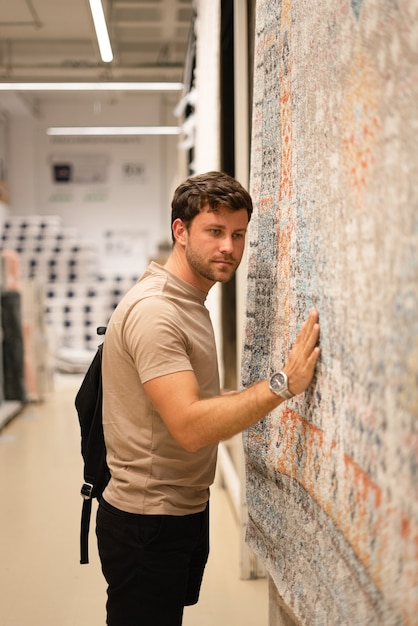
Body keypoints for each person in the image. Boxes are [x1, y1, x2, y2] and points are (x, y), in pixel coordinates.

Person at [96, 170, 320, 626]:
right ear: (180, 231)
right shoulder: (158, 313)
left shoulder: (188, 300)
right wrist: (284, 383)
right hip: (148, 521)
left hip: (178, 511)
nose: (229, 248)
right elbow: (191, 426)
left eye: (238, 235)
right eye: (215, 232)